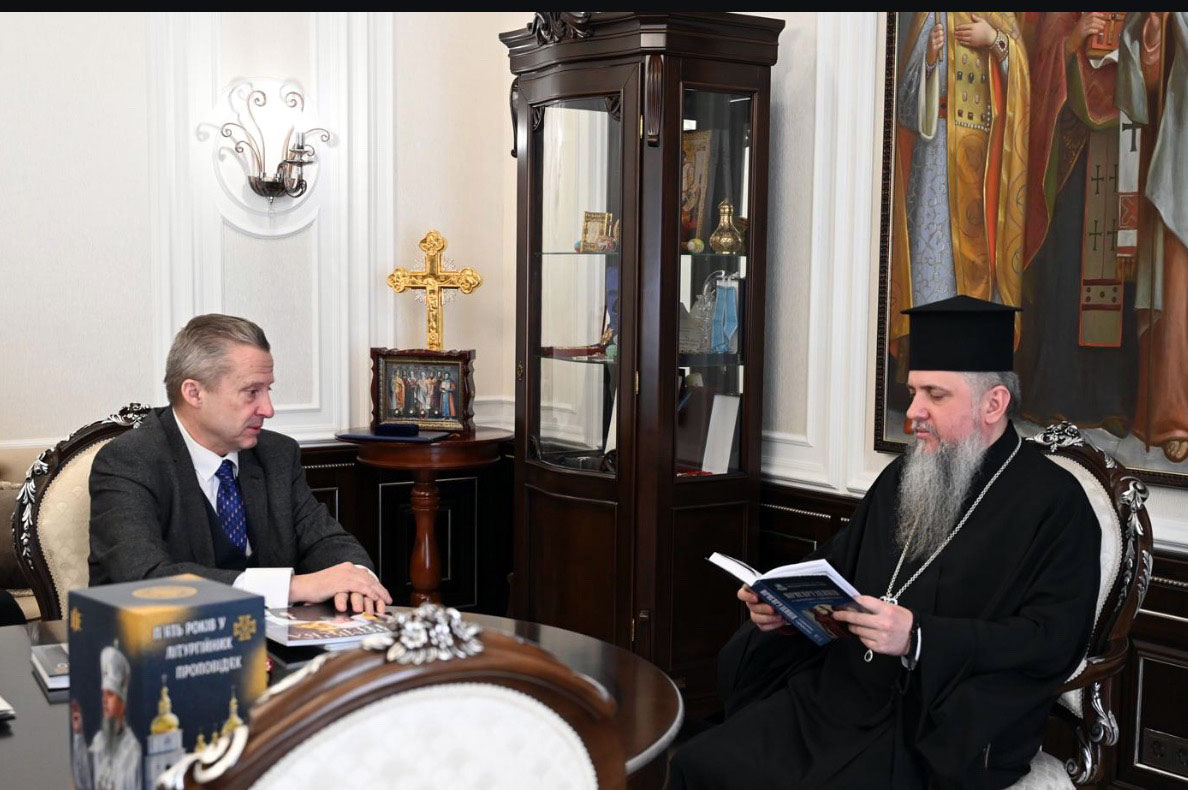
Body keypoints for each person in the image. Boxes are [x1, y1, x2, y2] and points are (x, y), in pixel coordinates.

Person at [669, 296, 1100, 789]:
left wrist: (919, 637)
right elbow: (837, 562)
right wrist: (784, 607)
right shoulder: (905, 475)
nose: (913, 413)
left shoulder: (1055, 504)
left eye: (935, 395)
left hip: (939, 724)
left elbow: (1049, 638)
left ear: (993, 404)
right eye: (913, 392)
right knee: (699, 764)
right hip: (842, 695)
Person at [89, 314, 391, 614]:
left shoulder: (276, 453)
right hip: (160, 637)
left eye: (268, 390)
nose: (268, 409)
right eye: (251, 392)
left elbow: (326, 540)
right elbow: (144, 578)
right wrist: (293, 587)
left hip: (271, 637)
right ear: (194, 393)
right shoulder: (129, 461)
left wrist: (357, 581)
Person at [72, 641, 142, 790]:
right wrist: (78, 734)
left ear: (122, 703)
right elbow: (84, 783)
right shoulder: (99, 741)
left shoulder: (132, 749)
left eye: (110, 694)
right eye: (103, 694)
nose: (104, 700)